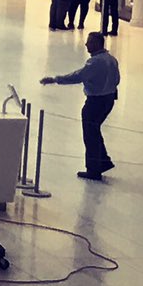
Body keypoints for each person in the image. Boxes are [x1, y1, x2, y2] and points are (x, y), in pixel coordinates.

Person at [43, 32, 121, 182]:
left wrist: (55, 79)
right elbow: (117, 79)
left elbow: (78, 76)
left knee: (90, 133)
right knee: (94, 130)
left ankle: (94, 169)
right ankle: (103, 161)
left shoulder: (94, 63)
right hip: (109, 99)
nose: (86, 45)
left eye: (90, 42)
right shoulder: (112, 60)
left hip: (95, 102)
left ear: (98, 44)